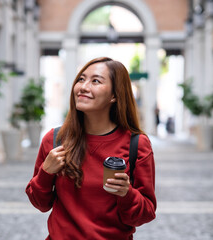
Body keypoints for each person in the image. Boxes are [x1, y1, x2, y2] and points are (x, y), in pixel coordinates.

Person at [25, 57, 156, 239]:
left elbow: (146, 213)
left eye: (95, 81)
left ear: (114, 95)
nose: (83, 87)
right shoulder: (56, 140)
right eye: (81, 79)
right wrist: (46, 173)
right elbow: (40, 203)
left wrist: (126, 193)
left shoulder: (137, 144)